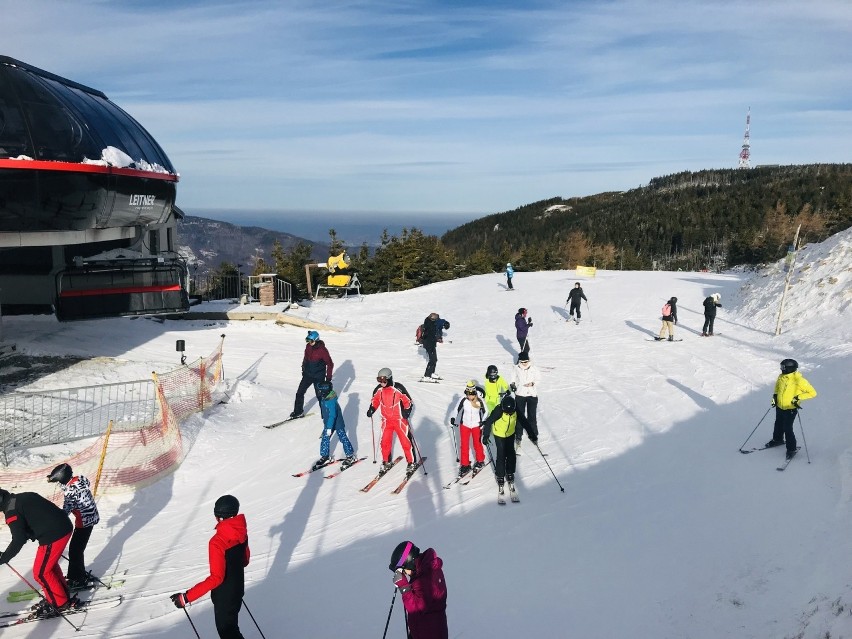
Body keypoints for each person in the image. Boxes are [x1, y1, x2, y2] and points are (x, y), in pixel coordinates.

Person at [171, 495, 250, 639]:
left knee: (228, 633)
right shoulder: (242, 532)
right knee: (232, 630)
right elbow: (244, 561)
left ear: (217, 517)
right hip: (237, 590)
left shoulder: (217, 542)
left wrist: (186, 597)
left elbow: (216, 578)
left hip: (225, 596)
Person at [0, 488, 77, 618]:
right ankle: (61, 595)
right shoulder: (22, 496)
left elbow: (18, 539)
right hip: (62, 526)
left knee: (41, 573)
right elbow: (39, 513)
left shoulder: (11, 511)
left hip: (54, 534)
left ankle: (59, 603)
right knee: (48, 567)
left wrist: (4, 558)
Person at [47, 463, 100, 589]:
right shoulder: (79, 480)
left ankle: (77, 579)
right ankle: (78, 574)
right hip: (91, 518)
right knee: (77, 549)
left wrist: (51, 520)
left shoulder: (71, 492)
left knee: (75, 551)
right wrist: (53, 478)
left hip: (84, 522)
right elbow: (68, 486)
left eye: (58, 480)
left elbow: (65, 511)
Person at [389, 541, 448, 639]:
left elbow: (416, 609)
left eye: (404, 570)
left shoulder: (426, 578)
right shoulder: (423, 571)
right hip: (426, 631)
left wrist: (403, 585)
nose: (405, 574)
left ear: (409, 563)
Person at [765, 359, 817, 460]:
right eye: (781, 366)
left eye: (783, 367)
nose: (781, 369)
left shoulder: (799, 380)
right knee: (778, 424)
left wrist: (798, 398)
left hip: (790, 408)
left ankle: (791, 449)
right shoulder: (781, 377)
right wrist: (775, 397)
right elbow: (777, 388)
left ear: (790, 368)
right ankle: (777, 440)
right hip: (780, 406)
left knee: (787, 428)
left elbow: (813, 393)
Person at [368, 367, 416, 472]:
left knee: (405, 442)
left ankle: (411, 462)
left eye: (384, 380)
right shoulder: (378, 389)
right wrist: (372, 408)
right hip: (386, 420)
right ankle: (386, 461)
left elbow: (408, 401)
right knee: (384, 442)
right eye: (379, 380)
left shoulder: (398, 388)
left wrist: (406, 411)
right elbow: (375, 400)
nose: (382, 383)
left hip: (399, 420)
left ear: (389, 378)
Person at [481, 395, 521, 501]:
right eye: (507, 412)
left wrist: (529, 434)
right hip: (499, 435)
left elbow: (522, 421)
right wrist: (485, 435)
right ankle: (500, 476)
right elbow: (489, 421)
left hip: (510, 434)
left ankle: (510, 473)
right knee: (501, 454)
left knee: (511, 454)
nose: (509, 414)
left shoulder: (515, 409)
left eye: (510, 412)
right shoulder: (498, 411)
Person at [311, 381, 357, 471]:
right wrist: (326, 425)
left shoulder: (331, 400)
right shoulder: (324, 398)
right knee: (325, 438)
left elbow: (332, 415)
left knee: (342, 437)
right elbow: (325, 413)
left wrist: (329, 428)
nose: (319, 392)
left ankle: (350, 455)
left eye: (320, 390)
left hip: (337, 423)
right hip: (328, 423)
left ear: (325, 391)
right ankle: (325, 456)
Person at [290, 330, 334, 418]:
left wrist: (328, 379)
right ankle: (298, 412)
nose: (309, 343)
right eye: (308, 340)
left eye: (311, 341)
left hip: (318, 377)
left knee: (320, 396)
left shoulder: (323, 350)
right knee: (299, 393)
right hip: (308, 375)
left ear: (316, 340)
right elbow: (305, 359)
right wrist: (303, 368)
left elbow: (330, 364)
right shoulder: (308, 347)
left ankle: (326, 415)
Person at [450, 381, 487, 477]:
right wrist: (453, 418)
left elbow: (486, 412)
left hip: (476, 425)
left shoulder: (480, 400)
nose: (469, 397)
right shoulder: (463, 400)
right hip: (465, 425)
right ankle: (465, 464)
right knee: (464, 445)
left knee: (477, 444)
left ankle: (480, 460)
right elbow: (456, 410)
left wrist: (483, 422)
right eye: (467, 394)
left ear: (474, 393)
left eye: (471, 395)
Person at [510, 355, 540, 453]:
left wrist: (533, 383)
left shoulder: (534, 368)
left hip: (532, 394)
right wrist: (512, 384)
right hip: (520, 394)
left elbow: (539, 378)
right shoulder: (516, 368)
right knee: (520, 416)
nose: (524, 363)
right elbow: (512, 378)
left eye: (526, 361)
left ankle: (534, 435)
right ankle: (518, 436)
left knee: (532, 416)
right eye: (523, 362)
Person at [420, 312, 450, 381]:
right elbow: (437, 324)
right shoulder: (430, 325)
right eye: (435, 319)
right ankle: (427, 376)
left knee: (434, 359)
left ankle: (431, 373)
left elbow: (439, 321)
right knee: (432, 360)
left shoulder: (429, 321)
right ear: (432, 319)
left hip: (431, 344)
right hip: (429, 344)